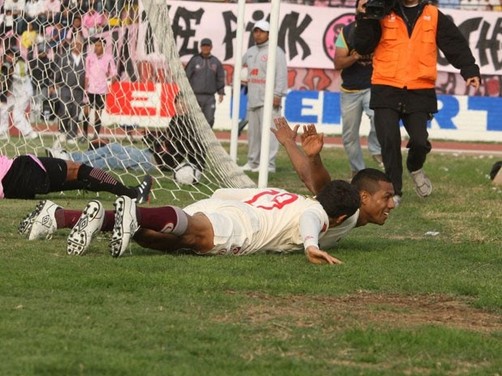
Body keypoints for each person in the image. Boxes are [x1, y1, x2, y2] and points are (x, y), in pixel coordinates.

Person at [21, 180, 361, 264]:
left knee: (156, 239)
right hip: (246, 227)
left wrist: (201, 208)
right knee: (195, 236)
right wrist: (312, 246)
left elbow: (225, 192)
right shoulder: (315, 213)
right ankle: (133, 211)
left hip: (223, 206)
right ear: (340, 217)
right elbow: (311, 219)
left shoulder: (283, 193)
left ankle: (61, 216)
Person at [353, 0, 481, 204]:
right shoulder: (383, 10)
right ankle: (395, 191)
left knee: (420, 142)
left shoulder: (434, 14)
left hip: (420, 89)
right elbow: (362, 45)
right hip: (386, 86)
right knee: (389, 141)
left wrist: (470, 70)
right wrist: (365, 17)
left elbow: (454, 44)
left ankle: (415, 167)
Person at [272, 116, 396, 228]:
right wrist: (314, 158)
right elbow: (323, 188)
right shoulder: (346, 210)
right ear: (364, 197)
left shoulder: (350, 215)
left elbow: (308, 178)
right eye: (386, 197)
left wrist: (289, 142)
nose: (392, 205)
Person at [334, 19, 383, 178]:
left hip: (373, 86)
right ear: (357, 9)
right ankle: (358, 171)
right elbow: (338, 62)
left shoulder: (383, 29)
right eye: (362, 5)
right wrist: (354, 57)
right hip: (350, 90)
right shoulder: (347, 32)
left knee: (378, 116)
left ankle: (375, 148)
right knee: (349, 135)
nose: (365, 9)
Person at [240, 19, 288, 173]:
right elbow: (241, 67)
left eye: (261, 31)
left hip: (269, 100)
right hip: (253, 99)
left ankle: (269, 164)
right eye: (256, 31)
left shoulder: (276, 51)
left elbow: (281, 75)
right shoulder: (251, 51)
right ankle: (253, 162)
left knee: (270, 134)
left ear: (268, 33)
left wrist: (277, 94)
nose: (258, 34)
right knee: (253, 135)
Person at [184, 38, 225, 128]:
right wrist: (185, 93)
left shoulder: (216, 62)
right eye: (204, 46)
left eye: (207, 46)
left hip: (209, 97)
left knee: (209, 119)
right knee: (192, 119)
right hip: (194, 96)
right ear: (200, 47)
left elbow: (220, 77)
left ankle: (206, 140)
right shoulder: (194, 60)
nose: (205, 48)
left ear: (211, 47)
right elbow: (186, 76)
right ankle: (194, 140)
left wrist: (221, 92)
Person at [52, 38, 86, 144]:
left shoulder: (85, 59)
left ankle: (72, 135)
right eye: (75, 44)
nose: (77, 46)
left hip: (79, 90)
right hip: (65, 88)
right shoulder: (64, 58)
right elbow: (57, 71)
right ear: (72, 45)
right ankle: (62, 132)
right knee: (64, 111)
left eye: (79, 44)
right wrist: (53, 84)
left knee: (75, 113)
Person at [0, 49, 38, 140]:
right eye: (8, 55)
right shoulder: (6, 65)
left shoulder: (20, 64)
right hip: (15, 93)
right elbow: (3, 78)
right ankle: (2, 132)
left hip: (24, 93)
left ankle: (29, 133)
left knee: (17, 114)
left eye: (11, 55)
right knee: (3, 108)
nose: (9, 57)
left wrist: (12, 74)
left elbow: (23, 78)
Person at [84, 37, 117, 140]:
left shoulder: (109, 57)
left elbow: (114, 73)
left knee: (98, 113)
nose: (96, 47)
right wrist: (85, 87)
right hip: (90, 89)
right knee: (86, 111)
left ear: (103, 47)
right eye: (95, 45)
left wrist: (110, 80)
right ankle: (84, 133)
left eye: (98, 46)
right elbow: (86, 73)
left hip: (102, 90)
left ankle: (95, 135)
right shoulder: (89, 57)